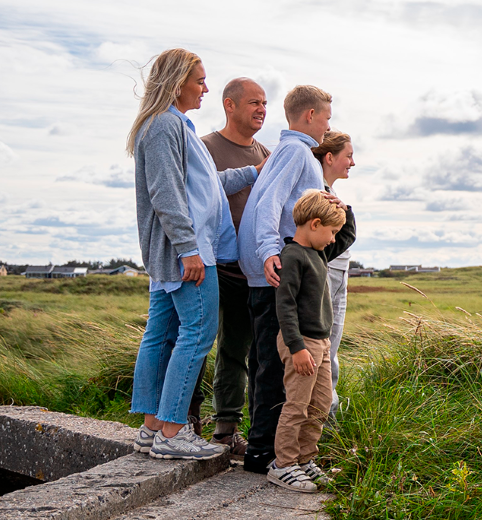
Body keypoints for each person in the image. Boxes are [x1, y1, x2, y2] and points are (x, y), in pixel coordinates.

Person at [125, 48, 257, 461]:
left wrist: (254, 171)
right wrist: (189, 250)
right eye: (199, 80)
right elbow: (167, 194)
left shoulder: (171, 125)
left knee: (160, 336)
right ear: (177, 81)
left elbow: (207, 183)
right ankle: (173, 432)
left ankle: (150, 430)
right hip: (186, 253)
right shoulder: (166, 125)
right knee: (197, 334)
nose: (205, 87)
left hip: (174, 253)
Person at [238, 85, 343, 474]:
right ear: (310, 116)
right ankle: (266, 452)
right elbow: (269, 202)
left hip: (273, 269)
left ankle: (270, 448)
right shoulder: (298, 151)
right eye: (327, 117)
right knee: (272, 366)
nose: (328, 125)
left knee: (266, 360)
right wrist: (269, 251)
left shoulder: (291, 151)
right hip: (275, 272)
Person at [186, 77, 270, 462]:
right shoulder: (205, 148)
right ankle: (184, 424)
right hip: (210, 266)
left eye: (265, 103)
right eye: (254, 102)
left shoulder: (267, 153)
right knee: (196, 346)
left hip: (248, 270)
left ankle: (226, 431)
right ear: (229, 105)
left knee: (237, 350)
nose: (261, 110)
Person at [269, 191, 354, 492]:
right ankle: (284, 464)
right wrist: (297, 348)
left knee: (319, 404)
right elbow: (285, 305)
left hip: (321, 343)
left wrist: (346, 210)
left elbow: (348, 237)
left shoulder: (319, 253)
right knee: (298, 405)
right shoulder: (292, 257)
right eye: (331, 232)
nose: (334, 240)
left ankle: (305, 459)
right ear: (315, 224)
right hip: (301, 344)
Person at [311, 131, 358, 408]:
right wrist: (347, 214)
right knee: (326, 347)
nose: (352, 162)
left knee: (331, 348)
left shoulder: (329, 191)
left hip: (336, 272)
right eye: (348, 156)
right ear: (329, 157)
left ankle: (327, 413)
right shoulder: (320, 193)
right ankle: (325, 417)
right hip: (328, 273)